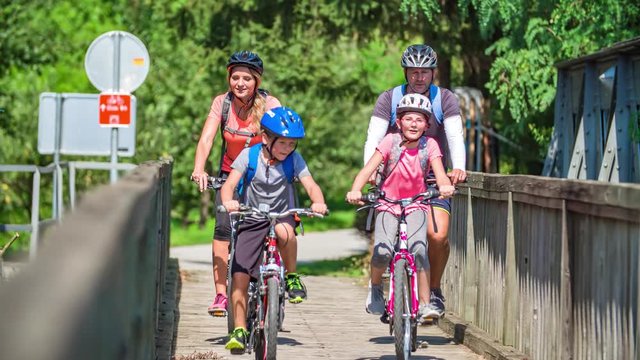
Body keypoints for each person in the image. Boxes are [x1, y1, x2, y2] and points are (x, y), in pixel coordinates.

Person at [363, 44, 467, 317]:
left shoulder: (445, 99)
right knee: (388, 240)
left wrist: (458, 168)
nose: (419, 77)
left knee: (438, 235)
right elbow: (374, 137)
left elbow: (455, 136)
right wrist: (370, 171)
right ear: (405, 72)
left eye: (424, 72)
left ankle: (432, 291)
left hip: (432, 179)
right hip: (395, 180)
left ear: (433, 73)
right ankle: (387, 287)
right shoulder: (390, 98)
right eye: (413, 72)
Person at [221, 106, 328, 352]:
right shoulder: (248, 156)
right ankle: (239, 328)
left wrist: (318, 202)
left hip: (282, 215)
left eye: (292, 144)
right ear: (267, 138)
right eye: (283, 143)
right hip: (252, 217)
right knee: (239, 274)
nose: (287, 149)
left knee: (285, 233)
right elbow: (230, 185)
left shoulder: (294, 160)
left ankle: (291, 277)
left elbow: (311, 185)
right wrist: (229, 201)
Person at [347, 93, 455, 320]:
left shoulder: (430, 145)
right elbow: (368, 170)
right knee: (383, 250)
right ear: (398, 122)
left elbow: (440, 173)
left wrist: (445, 186)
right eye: (408, 119)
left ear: (427, 124)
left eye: (419, 120)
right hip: (388, 204)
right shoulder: (390, 142)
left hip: (417, 203)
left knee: (419, 250)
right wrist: (356, 189)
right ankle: (375, 289)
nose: (413, 124)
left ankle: (425, 304)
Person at [191, 50, 282, 317]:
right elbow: (207, 138)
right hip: (229, 174)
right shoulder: (223, 103)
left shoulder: (269, 103)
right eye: (235, 78)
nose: (240, 83)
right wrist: (199, 168)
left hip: (262, 176)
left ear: (257, 81)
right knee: (222, 229)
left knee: (265, 225)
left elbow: (282, 139)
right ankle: (221, 294)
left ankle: (269, 278)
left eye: (246, 78)